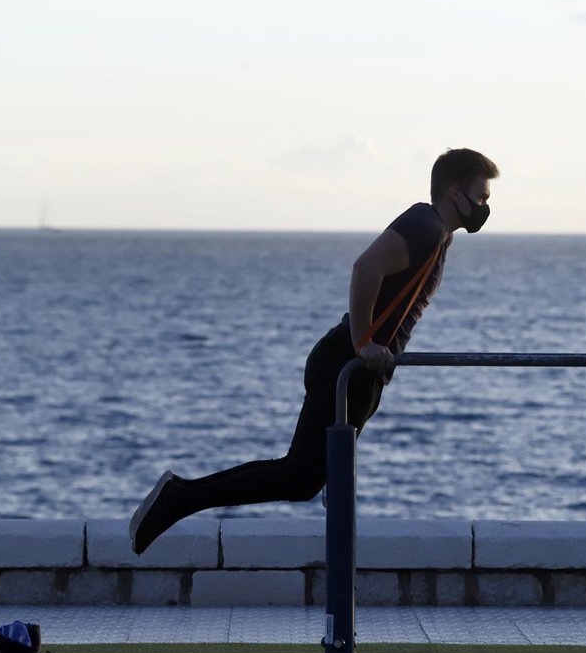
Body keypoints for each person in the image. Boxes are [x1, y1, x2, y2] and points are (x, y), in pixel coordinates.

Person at [128, 147, 499, 555]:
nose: (484, 206)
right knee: (300, 476)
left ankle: (181, 497)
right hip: (347, 364)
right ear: (455, 193)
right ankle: (179, 497)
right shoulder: (425, 226)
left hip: (357, 369)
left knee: (304, 477)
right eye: (481, 196)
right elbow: (365, 268)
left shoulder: (438, 235)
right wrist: (363, 343)